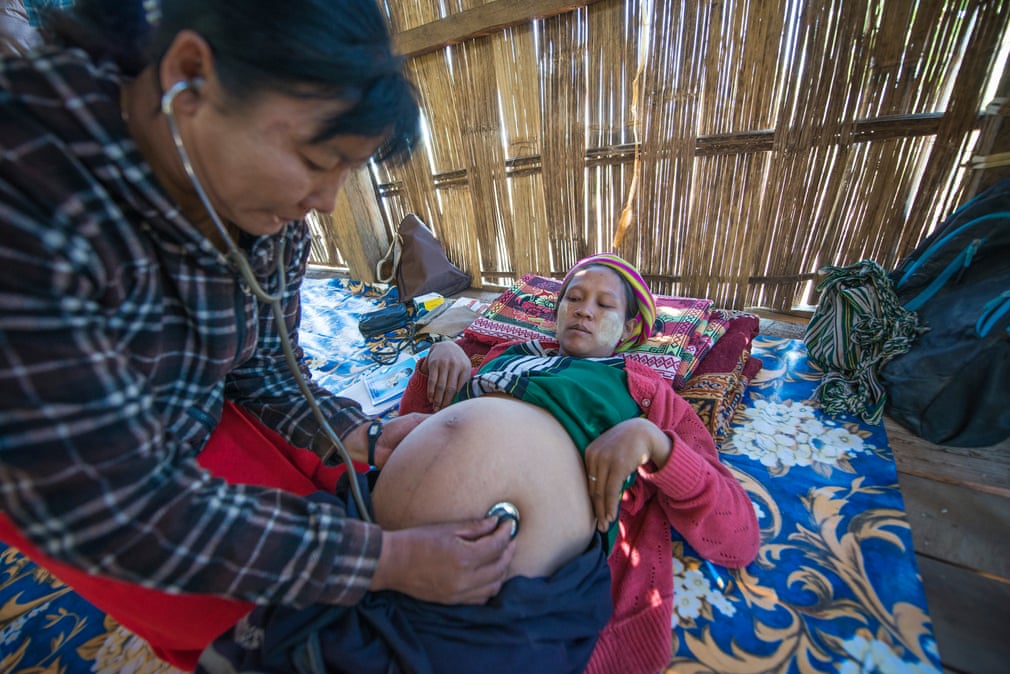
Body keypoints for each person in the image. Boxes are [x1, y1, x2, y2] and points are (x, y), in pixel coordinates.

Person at [0, 1, 516, 671]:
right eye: (314, 159)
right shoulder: (28, 204)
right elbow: (115, 505)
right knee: (267, 616)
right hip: (68, 470)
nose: (327, 202)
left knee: (322, 514)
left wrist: (352, 430)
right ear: (191, 74)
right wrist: (383, 562)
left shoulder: (268, 225)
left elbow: (265, 365)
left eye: (345, 173)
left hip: (190, 412)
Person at [199, 254, 761, 674]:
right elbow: (413, 430)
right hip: (365, 535)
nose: (583, 310)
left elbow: (736, 535)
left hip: (496, 596)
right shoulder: (503, 356)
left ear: (633, 329)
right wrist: (437, 361)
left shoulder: (645, 393)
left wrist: (654, 445)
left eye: (603, 303)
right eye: (572, 297)